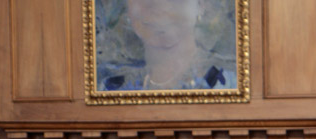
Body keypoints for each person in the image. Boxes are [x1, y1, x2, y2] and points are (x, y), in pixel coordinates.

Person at [97, 0, 237, 92]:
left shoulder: (232, 86)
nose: (160, 9)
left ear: (201, 5)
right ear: (127, 9)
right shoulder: (110, 88)